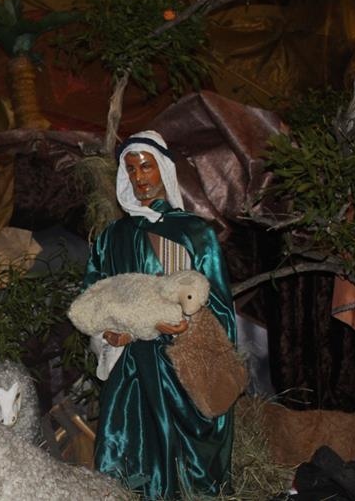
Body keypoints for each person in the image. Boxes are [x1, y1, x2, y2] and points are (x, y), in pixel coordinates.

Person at [85, 130, 237, 500]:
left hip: (182, 364)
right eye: (131, 169)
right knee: (127, 448)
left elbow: (218, 302)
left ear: (163, 171)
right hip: (131, 367)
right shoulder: (113, 238)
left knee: (188, 452)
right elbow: (95, 298)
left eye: (146, 166)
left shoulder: (194, 232)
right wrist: (109, 333)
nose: (139, 177)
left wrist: (186, 326)